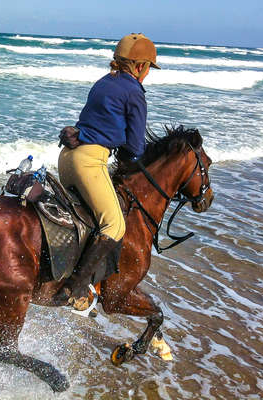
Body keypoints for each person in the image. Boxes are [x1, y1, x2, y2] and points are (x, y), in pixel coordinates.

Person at [54, 33, 160, 310]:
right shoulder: (134, 91)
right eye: (148, 67)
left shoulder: (103, 82)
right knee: (115, 224)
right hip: (88, 162)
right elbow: (135, 147)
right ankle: (75, 289)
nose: (147, 74)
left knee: (88, 218)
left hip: (66, 158)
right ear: (139, 66)